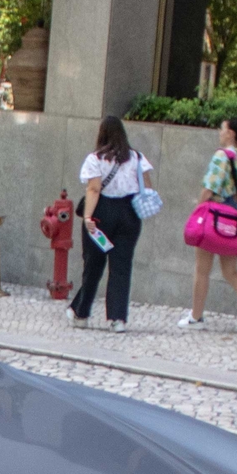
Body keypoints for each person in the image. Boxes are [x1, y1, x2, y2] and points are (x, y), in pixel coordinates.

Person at [186, 115, 237, 333]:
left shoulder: (221, 156)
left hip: (214, 217)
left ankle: (196, 316)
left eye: (222, 129)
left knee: (202, 269)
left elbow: (209, 187)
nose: (220, 132)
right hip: (234, 219)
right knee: (230, 271)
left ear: (230, 133)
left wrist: (198, 208)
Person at [73, 116, 153, 331]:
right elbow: (146, 185)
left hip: (102, 212)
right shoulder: (137, 157)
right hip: (129, 214)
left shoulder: (95, 159)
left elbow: (94, 189)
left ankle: (82, 313)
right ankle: (117, 319)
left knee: (93, 264)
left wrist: (88, 217)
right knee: (121, 267)